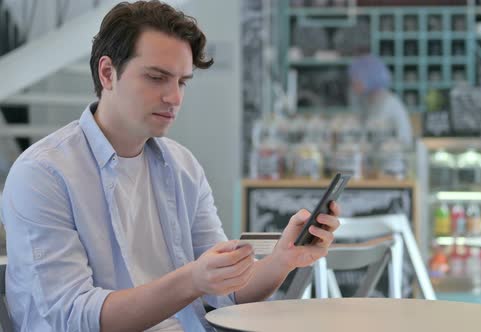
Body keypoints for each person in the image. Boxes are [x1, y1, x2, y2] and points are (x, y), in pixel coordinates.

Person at [0, 1, 341, 331]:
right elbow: (76, 318)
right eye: (156, 77)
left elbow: (226, 291)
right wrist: (191, 280)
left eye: (181, 82)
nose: (174, 97)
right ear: (108, 73)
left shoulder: (182, 167)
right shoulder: (42, 174)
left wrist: (283, 259)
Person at [348, 54, 413, 147]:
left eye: (356, 80)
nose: (353, 85)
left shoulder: (391, 103)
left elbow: (405, 139)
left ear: (369, 78)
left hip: (392, 159)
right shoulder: (370, 102)